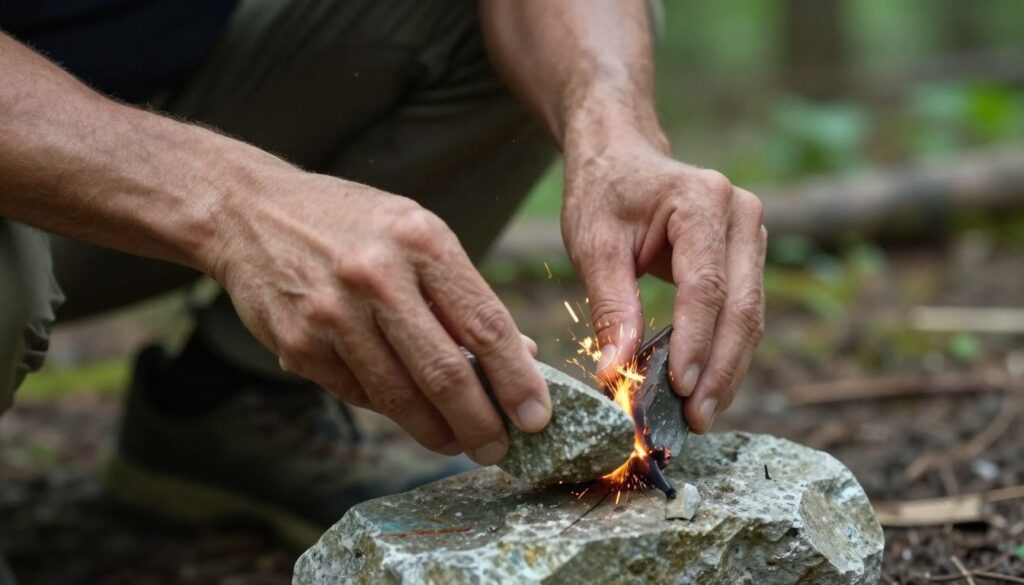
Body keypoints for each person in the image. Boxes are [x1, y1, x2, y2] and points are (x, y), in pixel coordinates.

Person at [0, 0, 766, 560]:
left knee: (529, 37)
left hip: (168, 81)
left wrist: (611, 129)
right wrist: (230, 201)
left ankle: (231, 400)